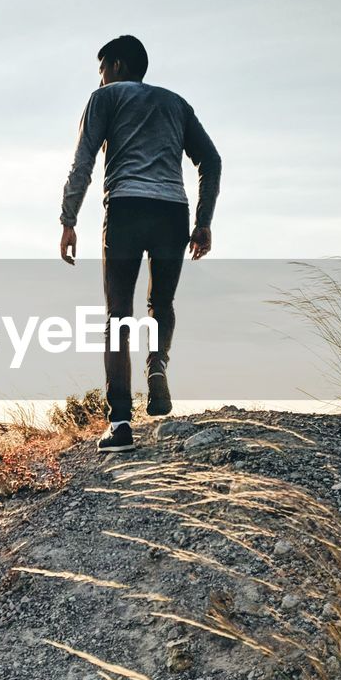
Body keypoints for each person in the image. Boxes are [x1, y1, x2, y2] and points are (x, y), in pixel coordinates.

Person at [59, 35, 221, 451]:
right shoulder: (176, 103)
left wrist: (68, 219)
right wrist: (203, 222)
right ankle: (157, 365)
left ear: (116, 65)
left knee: (117, 315)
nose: (99, 79)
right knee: (161, 304)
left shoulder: (105, 98)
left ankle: (120, 425)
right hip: (173, 211)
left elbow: (84, 161)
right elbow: (211, 160)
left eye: (101, 70)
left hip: (127, 207)